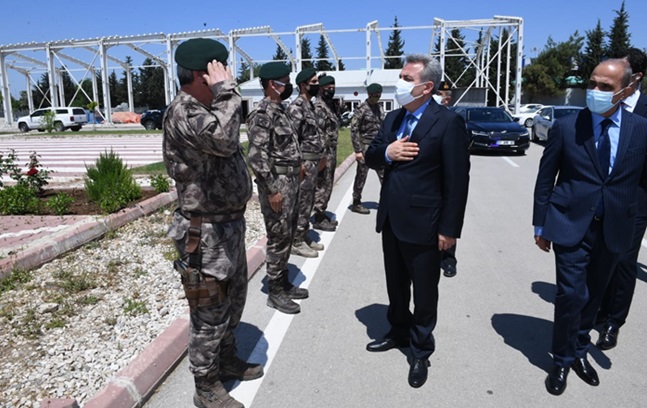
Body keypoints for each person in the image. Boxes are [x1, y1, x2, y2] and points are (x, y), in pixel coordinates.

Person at [533, 58, 647, 396]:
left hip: (615, 227)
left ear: (626, 90)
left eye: (605, 87)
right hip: (570, 223)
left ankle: (580, 348)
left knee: (594, 296)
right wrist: (540, 224)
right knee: (571, 294)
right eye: (592, 84)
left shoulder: (641, 129)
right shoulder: (567, 126)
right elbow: (545, 179)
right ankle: (562, 358)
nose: (594, 91)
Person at [163, 38, 262, 408]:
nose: (228, 77)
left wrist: (223, 97)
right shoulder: (183, 111)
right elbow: (222, 141)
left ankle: (226, 360)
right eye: (220, 70)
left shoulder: (211, 108)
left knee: (233, 301)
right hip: (201, 235)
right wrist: (227, 92)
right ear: (202, 75)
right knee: (208, 312)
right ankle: (205, 386)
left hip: (227, 228)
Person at [364, 54, 470, 389]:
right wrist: (387, 153)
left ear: (426, 87)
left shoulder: (447, 122)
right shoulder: (393, 118)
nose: (400, 83)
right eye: (401, 76)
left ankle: (421, 349)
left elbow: (457, 181)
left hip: (426, 224)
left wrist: (449, 230)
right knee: (396, 286)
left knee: (424, 293)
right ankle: (398, 331)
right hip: (392, 220)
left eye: (407, 79)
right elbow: (370, 154)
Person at [246, 62, 309, 315]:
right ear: (273, 84)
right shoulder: (262, 114)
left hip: (291, 182)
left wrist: (299, 164)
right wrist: (272, 190)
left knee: (288, 233)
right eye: (285, 80)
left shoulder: (280, 110)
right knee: (278, 236)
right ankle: (275, 291)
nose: (289, 85)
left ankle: (283, 282)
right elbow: (257, 157)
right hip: (278, 186)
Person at [597, 48, 647, 350]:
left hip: (636, 198)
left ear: (635, 77)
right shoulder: (602, 103)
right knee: (600, 255)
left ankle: (613, 322)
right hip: (600, 195)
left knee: (625, 260)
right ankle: (595, 311)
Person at [288, 67, 329, 259]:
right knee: (302, 203)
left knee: (309, 201)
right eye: (313, 83)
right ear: (303, 85)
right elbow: (292, 138)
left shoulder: (310, 105)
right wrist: (300, 164)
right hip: (304, 164)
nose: (317, 86)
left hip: (314, 163)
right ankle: (296, 241)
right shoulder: (296, 107)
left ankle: (303, 236)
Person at [349, 83, 385, 214]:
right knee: (361, 175)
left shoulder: (380, 108)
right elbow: (354, 130)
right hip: (365, 146)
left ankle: (386, 201)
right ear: (369, 95)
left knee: (384, 175)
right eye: (374, 96)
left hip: (378, 147)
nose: (376, 98)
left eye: (378, 96)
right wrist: (358, 150)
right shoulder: (361, 109)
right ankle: (356, 202)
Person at [313, 74, 341, 229]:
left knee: (328, 182)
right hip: (323, 153)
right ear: (321, 89)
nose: (331, 90)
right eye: (328, 88)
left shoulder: (330, 105)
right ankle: (318, 217)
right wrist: (322, 156)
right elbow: (317, 134)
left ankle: (322, 212)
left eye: (333, 87)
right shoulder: (319, 107)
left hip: (331, 150)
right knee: (322, 183)